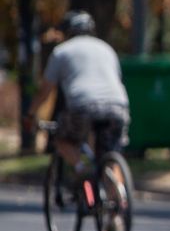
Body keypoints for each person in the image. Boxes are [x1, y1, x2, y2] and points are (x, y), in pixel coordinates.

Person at [28, 10, 130, 170]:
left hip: (82, 105)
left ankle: (81, 170)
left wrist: (30, 114)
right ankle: (118, 191)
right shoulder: (107, 48)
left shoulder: (62, 51)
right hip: (117, 105)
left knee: (62, 139)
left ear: (68, 31)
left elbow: (45, 91)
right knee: (109, 156)